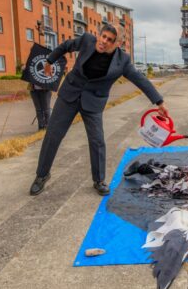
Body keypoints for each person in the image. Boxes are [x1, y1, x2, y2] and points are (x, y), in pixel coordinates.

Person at [29, 23, 168, 196]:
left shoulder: (122, 61)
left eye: (110, 40)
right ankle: (41, 175)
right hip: (69, 94)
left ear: (118, 43)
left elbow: (140, 80)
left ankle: (99, 180)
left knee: (97, 141)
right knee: (53, 135)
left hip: (93, 102)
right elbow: (66, 46)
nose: (104, 41)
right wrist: (49, 61)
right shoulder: (87, 40)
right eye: (103, 36)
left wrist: (159, 102)